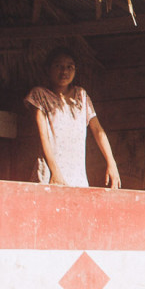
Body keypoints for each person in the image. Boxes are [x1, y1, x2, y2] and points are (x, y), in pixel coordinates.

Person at [26, 47, 120, 188]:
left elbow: (98, 130)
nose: (64, 71)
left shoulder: (81, 96)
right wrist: (55, 172)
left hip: (77, 176)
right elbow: (44, 137)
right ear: (48, 69)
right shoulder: (39, 95)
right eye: (59, 66)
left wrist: (111, 163)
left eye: (70, 67)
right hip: (50, 173)